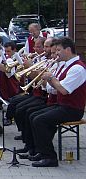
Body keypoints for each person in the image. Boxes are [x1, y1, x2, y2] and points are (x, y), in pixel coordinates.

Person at [30, 37, 85, 167]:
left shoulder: (77, 68)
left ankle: (50, 158)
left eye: (59, 50)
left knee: (39, 120)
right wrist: (47, 79)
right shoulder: (68, 65)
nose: (57, 53)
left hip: (73, 109)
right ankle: (42, 151)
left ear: (68, 49)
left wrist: (51, 78)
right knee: (33, 115)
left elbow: (64, 90)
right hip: (63, 105)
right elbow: (55, 88)